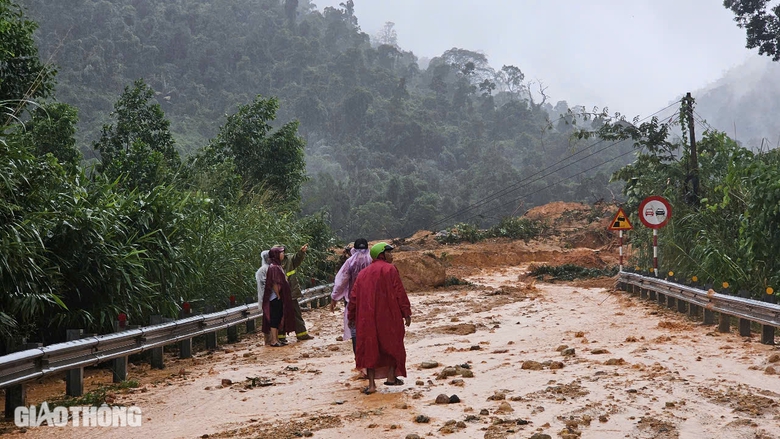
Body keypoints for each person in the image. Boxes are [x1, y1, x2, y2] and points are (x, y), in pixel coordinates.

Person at [348, 242, 412, 395]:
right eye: (389, 253)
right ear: (381, 255)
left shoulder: (363, 274)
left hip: (366, 319)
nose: (392, 255)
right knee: (392, 344)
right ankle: (391, 376)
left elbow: (354, 298)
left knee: (369, 348)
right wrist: (406, 312)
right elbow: (399, 292)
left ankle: (371, 385)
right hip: (388, 316)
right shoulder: (390, 269)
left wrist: (351, 316)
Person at [330, 238, 372, 353]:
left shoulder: (350, 262)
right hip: (371, 300)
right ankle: (370, 360)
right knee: (369, 328)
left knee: (354, 328)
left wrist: (334, 297)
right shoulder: (372, 261)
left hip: (352, 300)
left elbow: (341, 281)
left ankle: (358, 358)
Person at [277, 243, 315, 343]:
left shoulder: (289, 259)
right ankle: (280, 337)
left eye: (282, 251)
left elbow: (297, 258)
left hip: (291, 292)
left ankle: (302, 334)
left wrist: (301, 252)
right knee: (280, 315)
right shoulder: (272, 263)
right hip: (279, 295)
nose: (281, 253)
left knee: (296, 313)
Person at [261, 247, 296, 347]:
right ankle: (274, 340)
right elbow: (275, 283)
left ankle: (276, 339)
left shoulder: (277, 266)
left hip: (278, 297)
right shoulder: (274, 267)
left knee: (277, 318)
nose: (283, 255)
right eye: (281, 253)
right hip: (275, 298)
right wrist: (278, 295)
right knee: (274, 318)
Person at [255, 249, 272, 345]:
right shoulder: (262, 270)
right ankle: (268, 340)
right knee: (267, 320)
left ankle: (273, 338)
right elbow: (264, 286)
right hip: (266, 299)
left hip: (269, 298)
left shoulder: (270, 268)